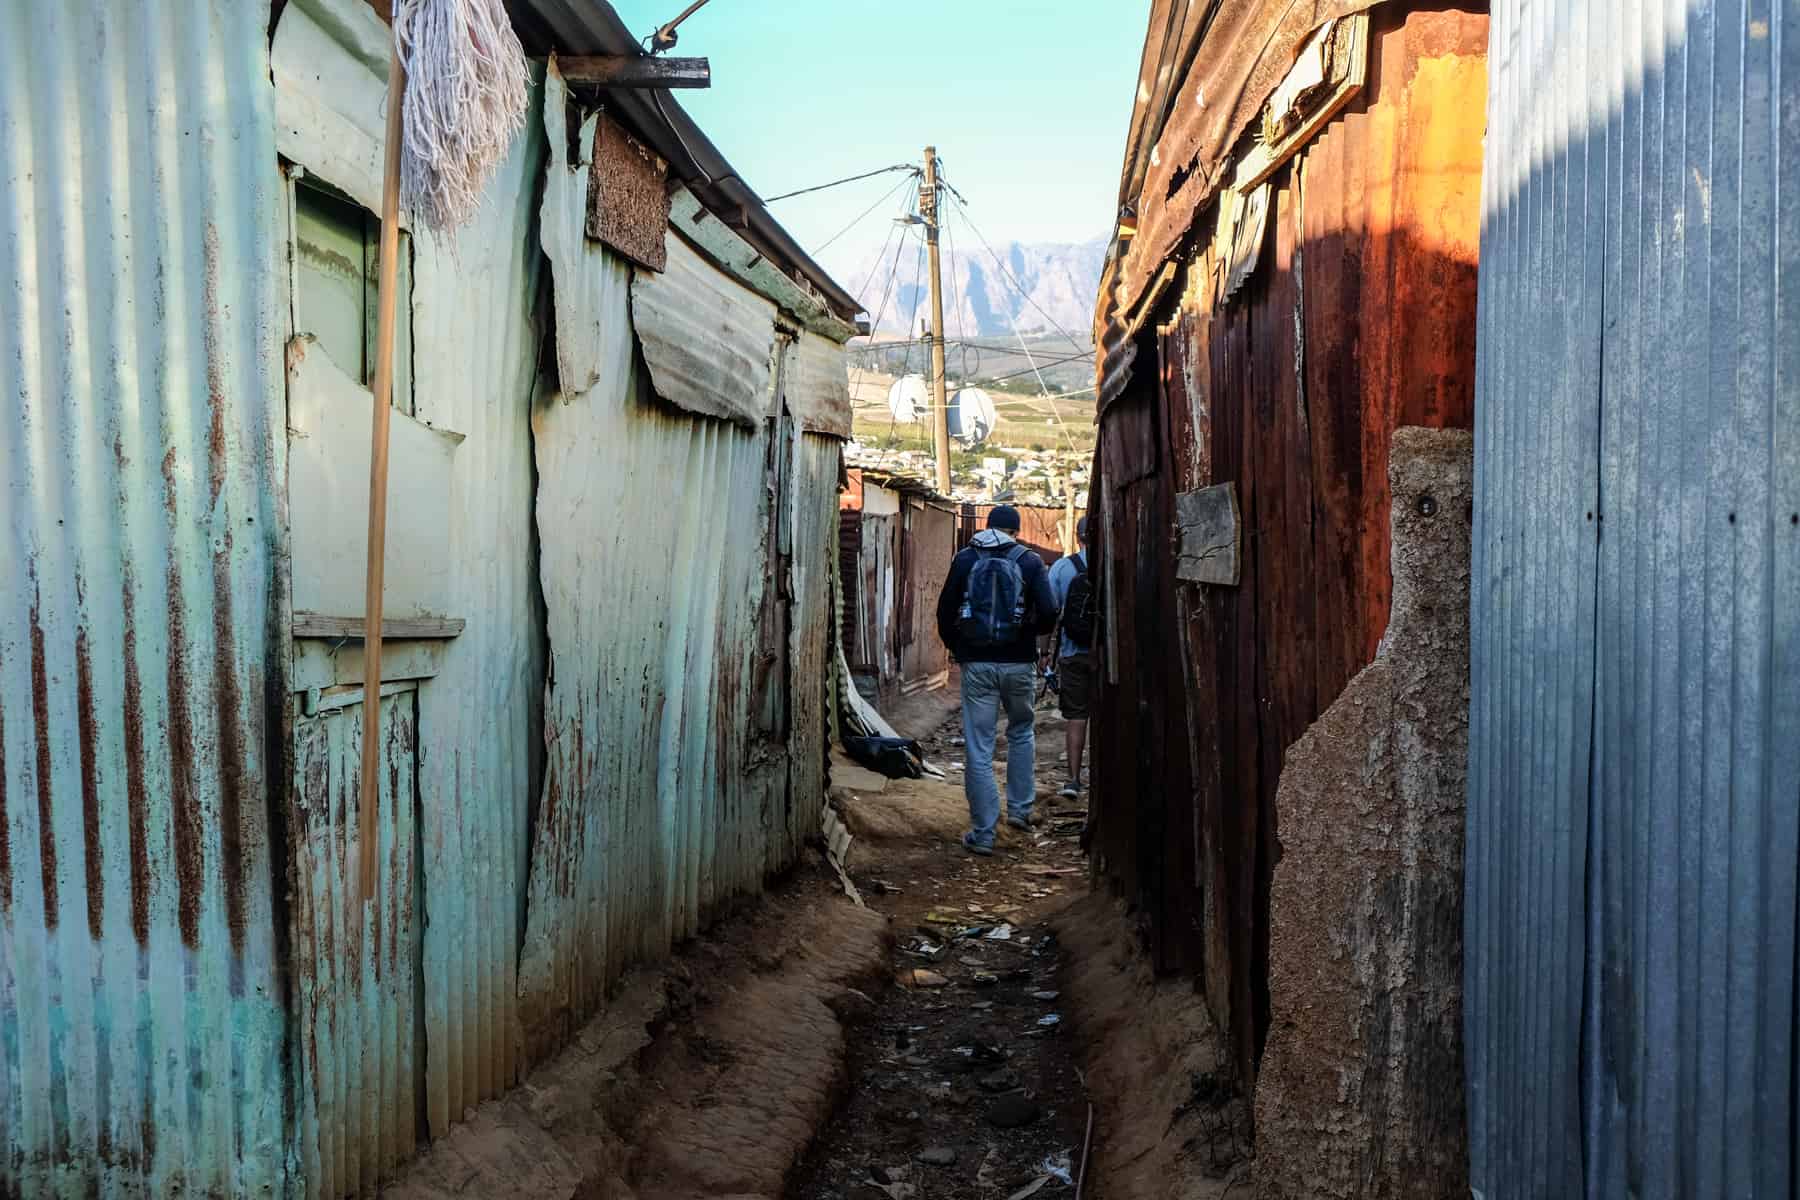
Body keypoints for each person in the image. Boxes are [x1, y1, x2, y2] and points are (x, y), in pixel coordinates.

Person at [936, 506, 1059, 856]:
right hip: (1019, 663)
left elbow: (944, 612)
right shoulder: (1030, 561)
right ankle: (1020, 810)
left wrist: (959, 647)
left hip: (977, 665)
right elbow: (1049, 611)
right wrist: (1026, 634)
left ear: (988, 528)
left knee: (979, 744)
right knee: (1021, 731)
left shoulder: (965, 558)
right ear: (1016, 531)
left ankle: (984, 832)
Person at [1045, 516, 1094, 799]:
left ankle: (1073, 780)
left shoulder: (1063, 568)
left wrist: (1043, 654)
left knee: (1076, 716)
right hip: (1109, 657)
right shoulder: (1116, 563)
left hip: (1073, 654)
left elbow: (1049, 614)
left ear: (1078, 538)